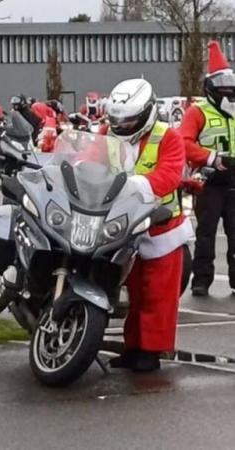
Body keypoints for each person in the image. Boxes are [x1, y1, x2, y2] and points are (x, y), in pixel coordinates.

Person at [104, 79, 191, 372]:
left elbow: (170, 175)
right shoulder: (108, 135)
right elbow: (91, 161)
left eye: (129, 120)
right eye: (118, 120)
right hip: (124, 224)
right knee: (135, 292)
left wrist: (134, 185)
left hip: (162, 225)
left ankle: (151, 351)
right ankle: (132, 347)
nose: (123, 126)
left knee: (158, 294)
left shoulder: (169, 137)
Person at [181, 41, 235, 297]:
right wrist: (211, 158)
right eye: (222, 85)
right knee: (206, 233)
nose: (228, 90)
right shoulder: (197, 112)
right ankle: (201, 280)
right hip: (209, 179)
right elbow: (184, 142)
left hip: (234, 179)